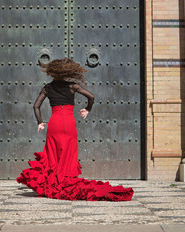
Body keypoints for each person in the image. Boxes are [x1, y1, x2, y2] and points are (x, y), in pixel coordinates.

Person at [16, 57, 134, 201]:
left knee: (52, 152)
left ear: (53, 73)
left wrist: (40, 122)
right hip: (69, 123)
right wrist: (87, 110)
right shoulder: (72, 86)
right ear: (67, 72)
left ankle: (55, 181)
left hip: (55, 122)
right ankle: (66, 178)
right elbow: (91, 96)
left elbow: (36, 106)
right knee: (68, 152)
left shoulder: (47, 87)